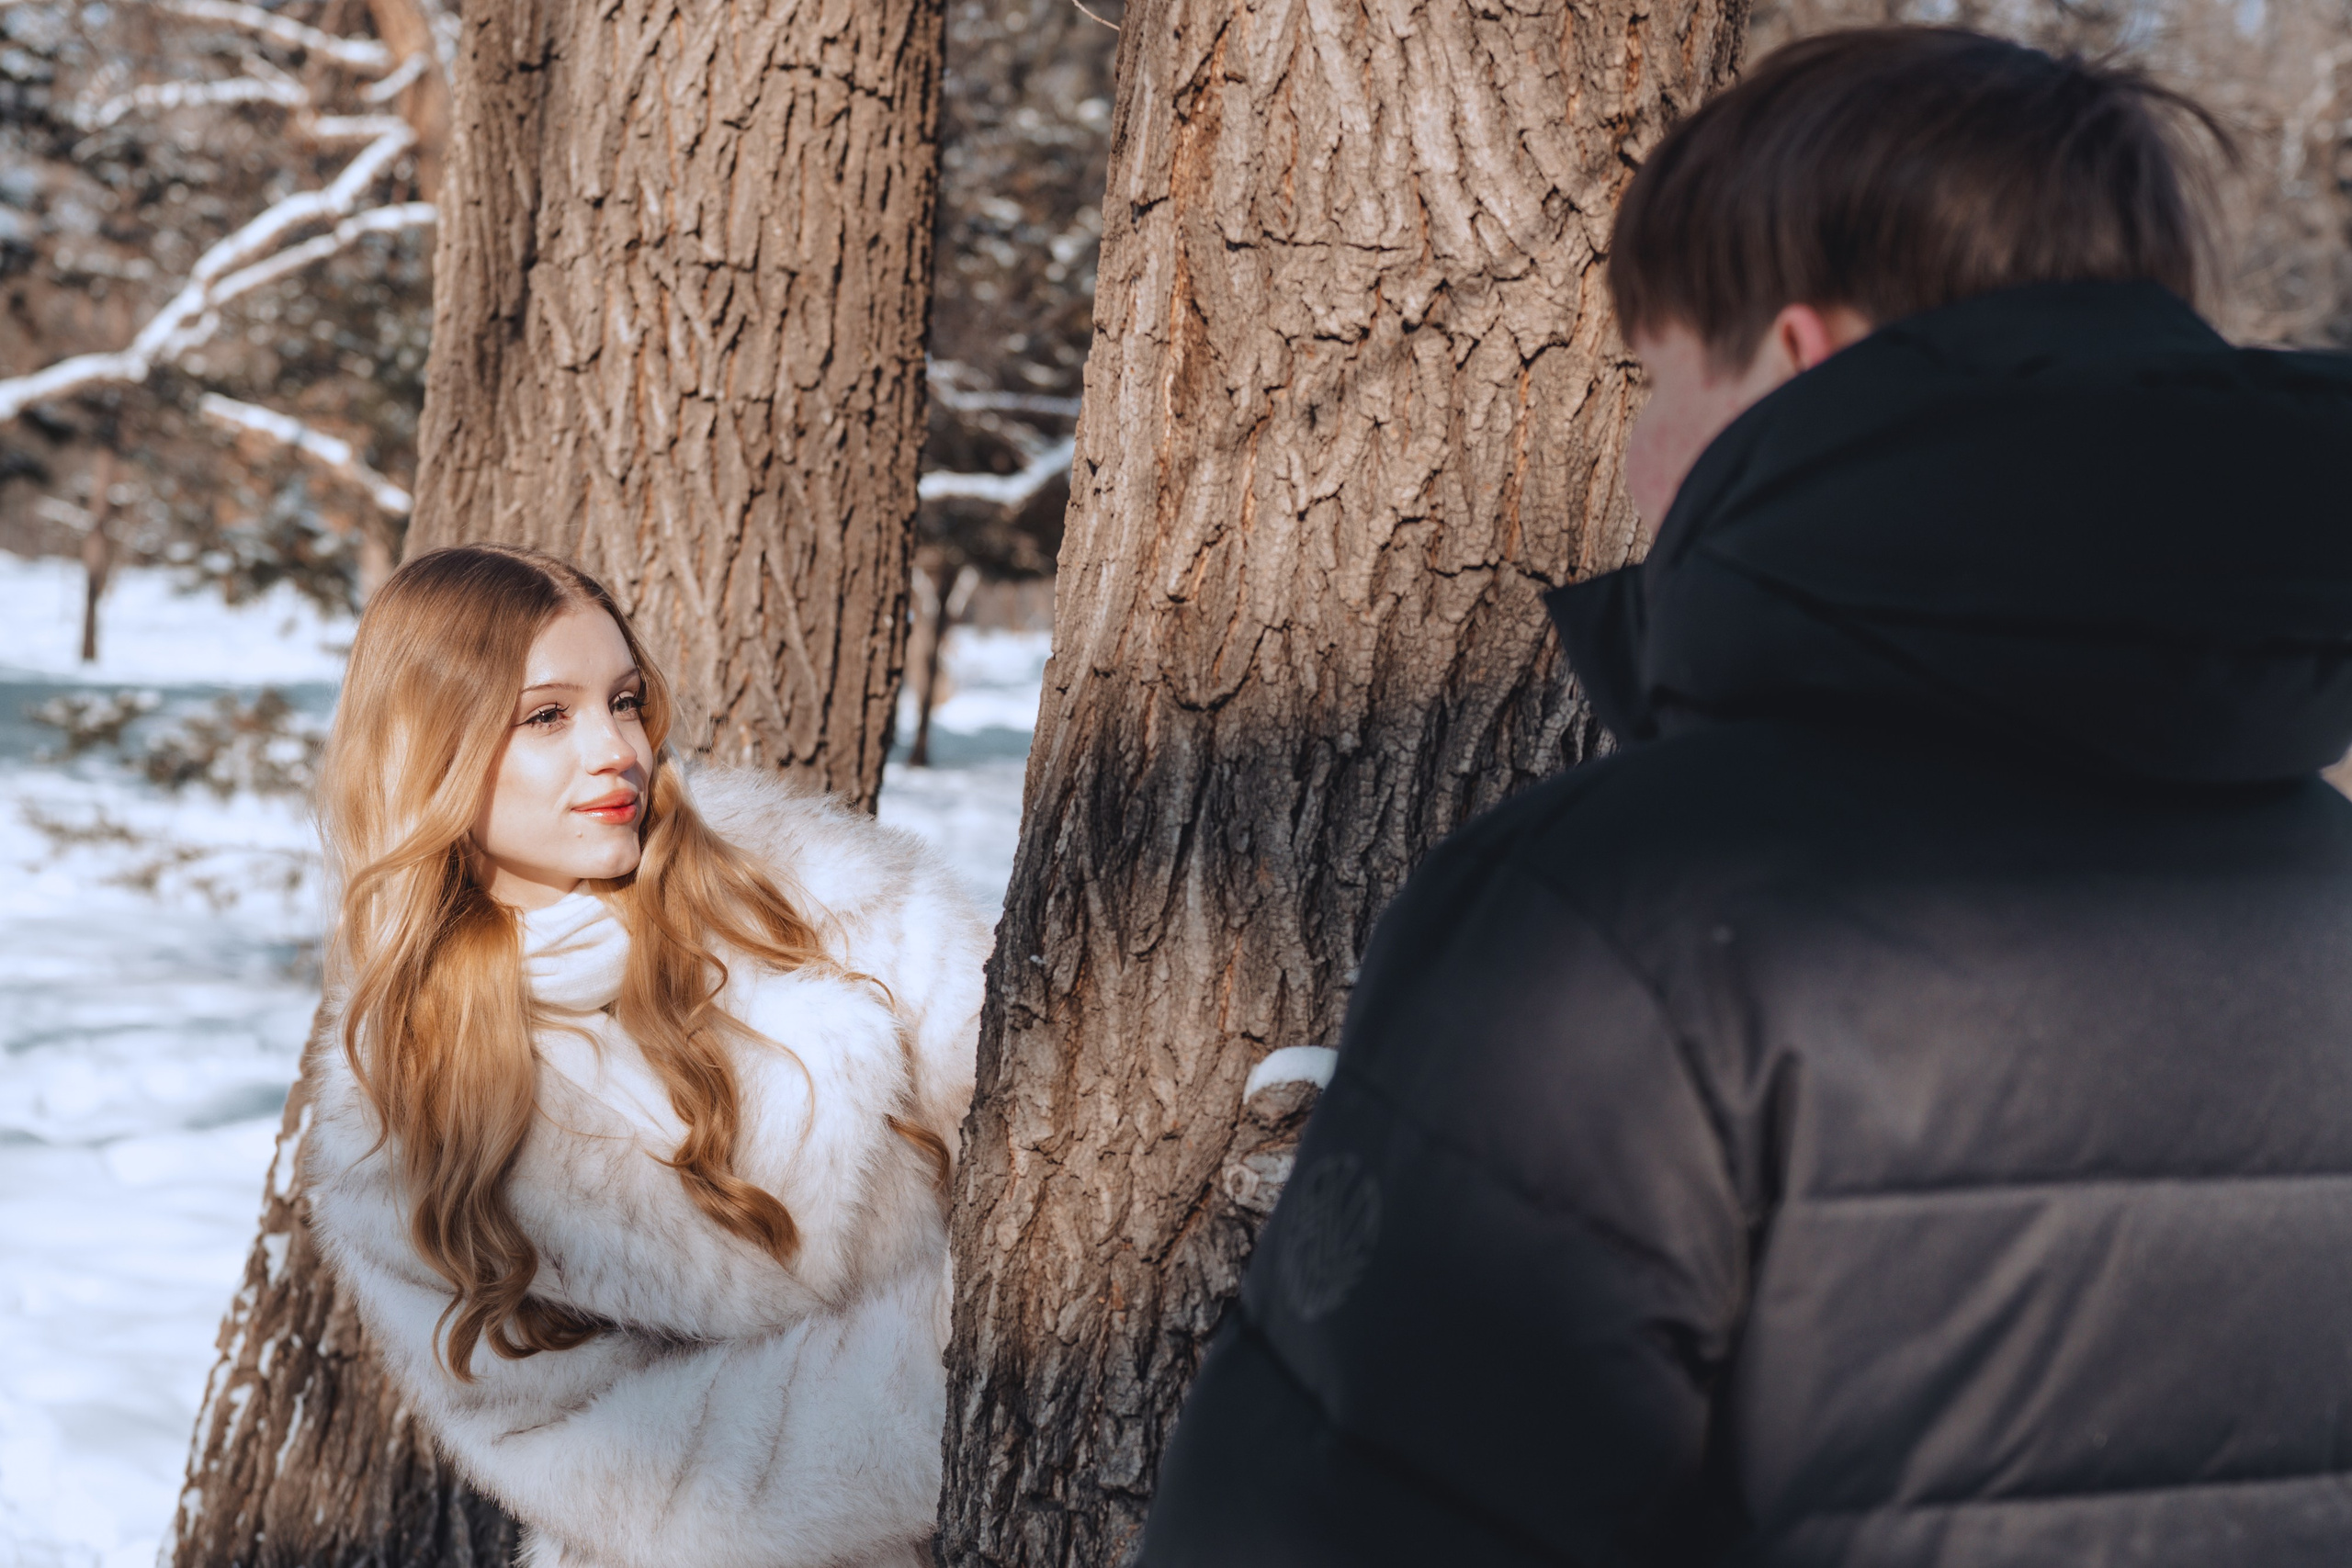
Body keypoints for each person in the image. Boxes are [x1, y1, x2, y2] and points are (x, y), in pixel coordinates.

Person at [1139, 28, 2352, 1567]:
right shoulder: (2333, 880)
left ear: (1799, 359)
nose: (1640, 467)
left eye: (1657, 379)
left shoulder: (1607, 919)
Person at [303, 544, 987, 1568]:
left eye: (624, 702)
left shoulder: (814, 895)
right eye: (548, 717)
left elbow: (1060, 1112)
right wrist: (1006, 1373)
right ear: (431, 748)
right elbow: (636, 1475)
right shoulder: (406, 1121)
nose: (614, 749)